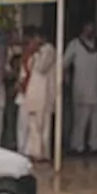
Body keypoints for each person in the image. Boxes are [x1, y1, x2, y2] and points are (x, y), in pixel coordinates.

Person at [63, 19, 97, 156]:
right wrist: (65, 79)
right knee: (80, 119)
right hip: (81, 87)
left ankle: (96, 146)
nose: (91, 31)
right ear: (83, 29)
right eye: (88, 28)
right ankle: (77, 145)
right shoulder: (74, 44)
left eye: (93, 28)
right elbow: (64, 64)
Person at [16, 26, 56, 162]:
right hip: (32, 93)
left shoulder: (48, 50)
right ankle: (33, 152)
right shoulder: (32, 54)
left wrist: (35, 51)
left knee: (43, 125)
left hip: (44, 93)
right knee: (33, 125)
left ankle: (43, 154)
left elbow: (41, 67)